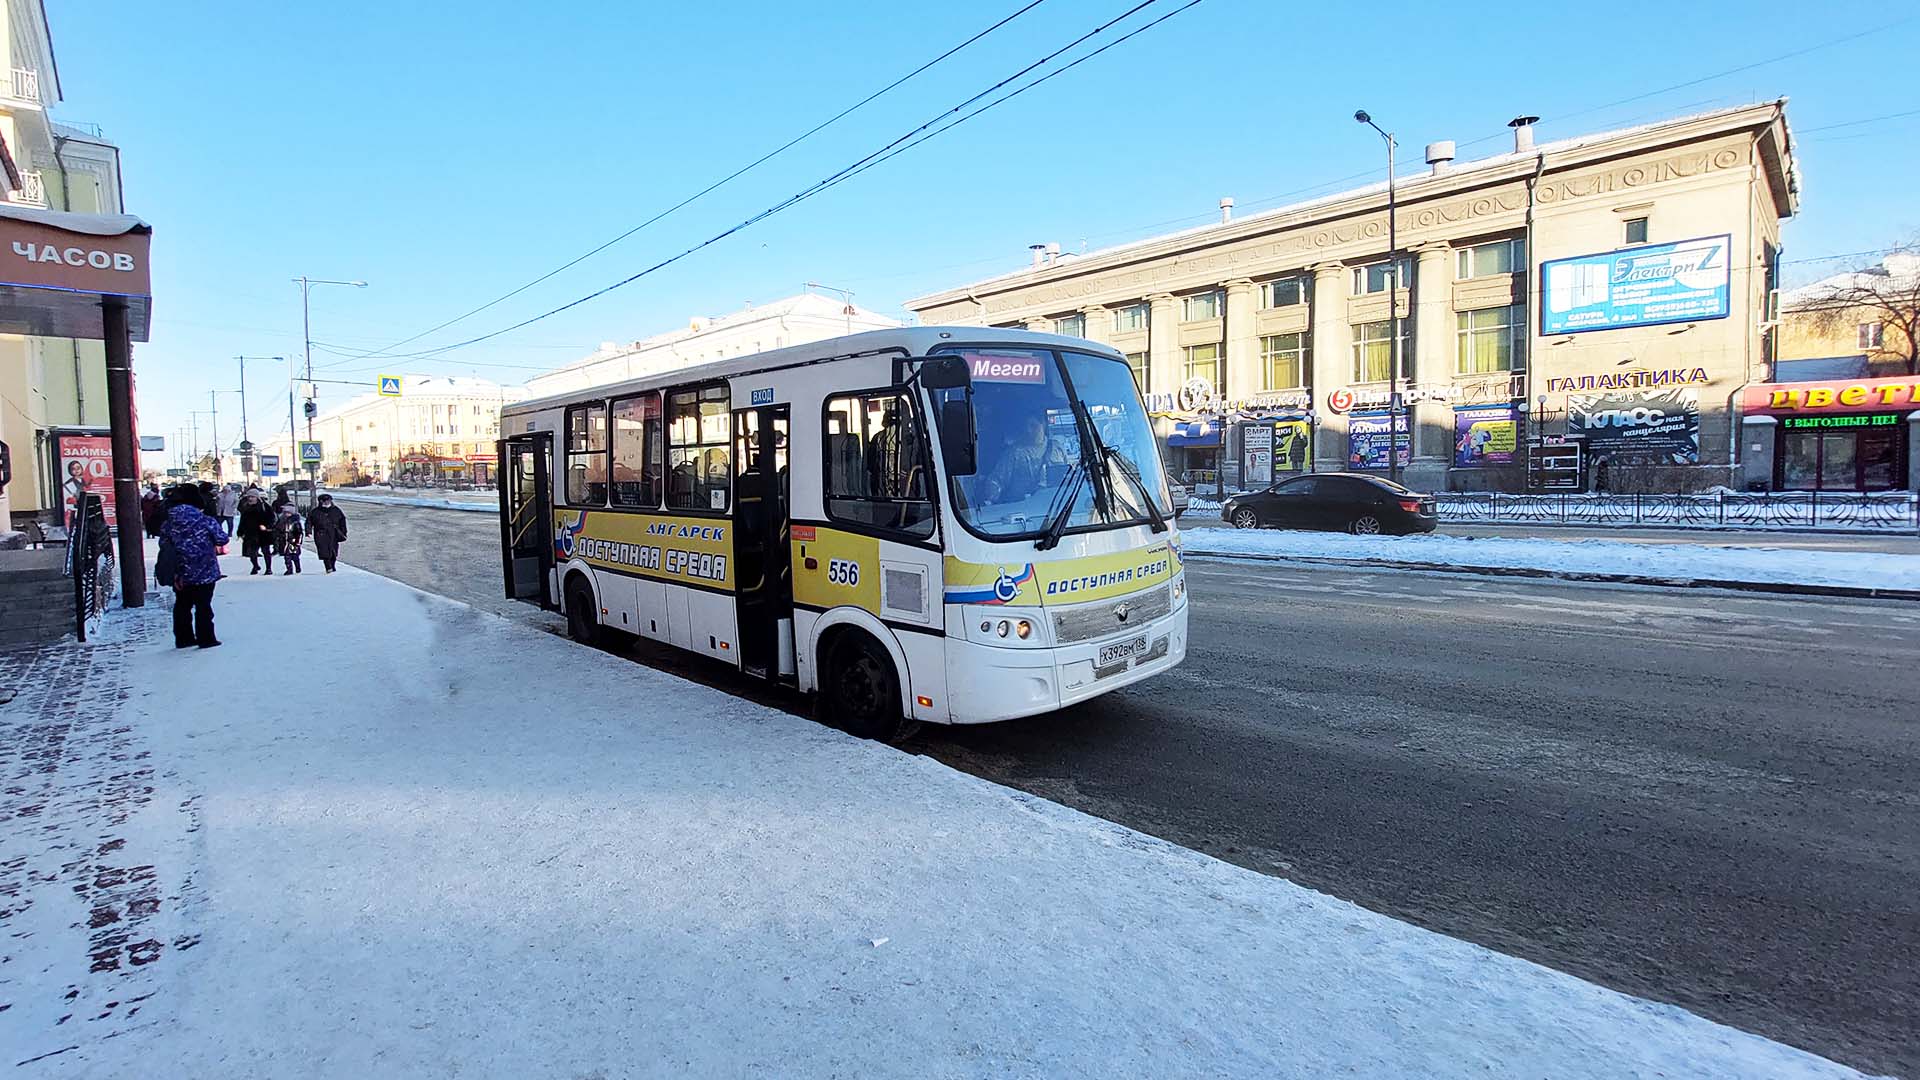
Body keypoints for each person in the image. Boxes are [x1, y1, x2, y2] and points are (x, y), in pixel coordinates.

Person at [158, 484, 228, 649]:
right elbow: (222, 539)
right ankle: (206, 638)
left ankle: (184, 639)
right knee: (203, 606)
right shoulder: (205, 521)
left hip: (180, 572)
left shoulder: (169, 522)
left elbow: (164, 544)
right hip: (205, 569)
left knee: (182, 605)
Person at [237, 488, 276, 575]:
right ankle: (255, 566)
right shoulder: (246, 507)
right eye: (249, 497)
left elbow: (272, 518)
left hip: (263, 533)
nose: (250, 499)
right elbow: (243, 520)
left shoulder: (265, 507)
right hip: (251, 533)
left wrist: (267, 526)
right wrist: (240, 531)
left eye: (252, 497)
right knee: (252, 553)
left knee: (266, 551)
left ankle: (268, 569)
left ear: (257, 497)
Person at [307, 493, 348, 573]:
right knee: (324, 551)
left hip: (333, 534)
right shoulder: (315, 512)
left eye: (328, 501)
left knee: (333, 551)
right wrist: (308, 531)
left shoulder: (336, 510)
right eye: (325, 501)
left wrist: (343, 532)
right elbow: (309, 522)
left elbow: (342, 521)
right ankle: (328, 567)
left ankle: (332, 565)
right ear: (321, 502)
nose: (327, 503)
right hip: (320, 534)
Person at [274, 501, 305, 575]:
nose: (286, 514)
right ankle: (289, 569)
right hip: (284, 541)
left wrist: (298, 542)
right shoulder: (282, 520)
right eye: (285, 512)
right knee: (287, 557)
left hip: (293, 542)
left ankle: (297, 567)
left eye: (288, 513)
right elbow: (278, 529)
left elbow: (299, 533)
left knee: (294, 556)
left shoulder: (295, 522)